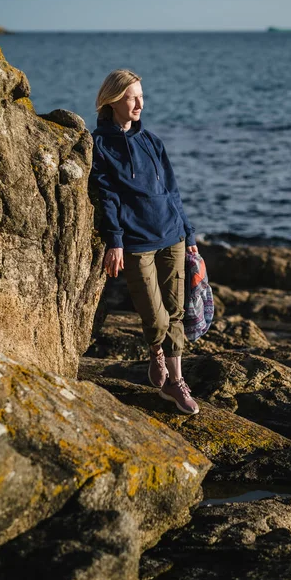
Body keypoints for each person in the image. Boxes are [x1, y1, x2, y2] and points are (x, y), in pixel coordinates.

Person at [90, 69, 199, 415]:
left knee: (176, 311)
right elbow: (107, 197)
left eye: (141, 96)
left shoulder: (151, 141)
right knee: (155, 314)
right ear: (113, 100)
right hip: (137, 242)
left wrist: (189, 233)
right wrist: (115, 241)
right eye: (131, 97)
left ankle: (175, 382)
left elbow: (172, 190)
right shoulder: (100, 144)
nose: (139, 103)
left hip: (172, 235)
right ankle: (155, 352)